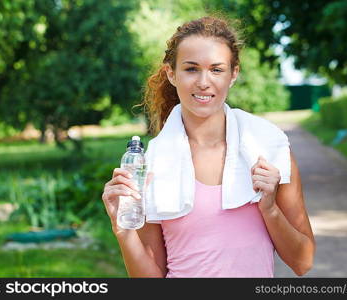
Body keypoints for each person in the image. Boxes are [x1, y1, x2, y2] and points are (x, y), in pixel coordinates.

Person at [101, 16, 315, 278]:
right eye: (191, 69)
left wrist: (269, 208)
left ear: (233, 74)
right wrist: (122, 229)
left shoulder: (269, 148)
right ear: (172, 73)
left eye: (216, 69)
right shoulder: (151, 165)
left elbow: (303, 262)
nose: (204, 81)